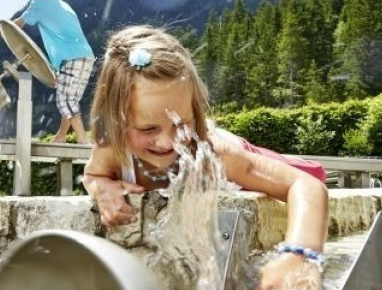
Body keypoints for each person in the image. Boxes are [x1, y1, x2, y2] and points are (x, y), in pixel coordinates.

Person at [82, 26, 328, 289]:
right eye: (148, 129)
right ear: (115, 122)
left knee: (314, 173)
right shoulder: (111, 147)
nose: (168, 142)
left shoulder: (211, 152)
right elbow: (93, 175)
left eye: (181, 123)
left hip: (240, 154)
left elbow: (306, 185)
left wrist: (300, 254)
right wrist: (103, 188)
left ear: (195, 113)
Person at [13, 0, 95, 144]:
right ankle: (61, 136)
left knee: (64, 100)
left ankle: (83, 140)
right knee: (71, 100)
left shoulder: (40, 2)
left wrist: (2, 28)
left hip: (72, 57)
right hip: (85, 56)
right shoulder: (62, 4)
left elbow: (16, 26)